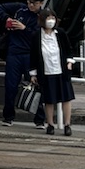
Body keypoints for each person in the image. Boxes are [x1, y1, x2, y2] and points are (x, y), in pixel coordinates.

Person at [0, 0, 46, 124]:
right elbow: (0, 8)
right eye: (29, 2)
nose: (30, 5)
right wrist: (7, 19)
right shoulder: (20, 9)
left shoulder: (43, 16)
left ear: (41, 3)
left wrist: (24, 28)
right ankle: (8, 117)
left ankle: (40, 119)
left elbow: (40, 37)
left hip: (32, 55)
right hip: (13, 52)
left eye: (34, 3)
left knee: (37, 86)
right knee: (10, 86)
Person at [29, 8, 76, 136]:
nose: (51, 21)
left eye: (53, 18)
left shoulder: (60, 33)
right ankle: (50, 124)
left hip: (61, 70)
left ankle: (67, 125)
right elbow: (33, 55)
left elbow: (68, 49)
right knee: (49, 99)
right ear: (42, 20)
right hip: (46, 71)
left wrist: (70, 62)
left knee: (66, 98)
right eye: (48, 18)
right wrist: (33, 74)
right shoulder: (36, 35)